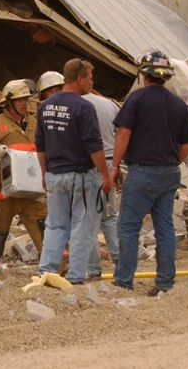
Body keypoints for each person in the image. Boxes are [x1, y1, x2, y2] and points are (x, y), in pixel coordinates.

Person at [111, 50, 188, 296]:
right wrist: (171, 162)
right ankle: (165, 283)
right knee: (165, 227)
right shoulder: (178, 103)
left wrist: (114, 167)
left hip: (142, 171)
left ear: (143, 74)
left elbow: (123, 135)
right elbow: (187, 145)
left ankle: (124, 282)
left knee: (128, 226)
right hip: (168, 172)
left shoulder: (136, 100)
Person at [35, 59, 112, 284]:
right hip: (81, 176)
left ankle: (46, 273)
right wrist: (105, 175)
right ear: (79, 78)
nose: (92, 81)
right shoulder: (83, 107)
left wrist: (44, 173)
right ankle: (76, 277)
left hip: (55, 175)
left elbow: (40, 145)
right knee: (82, 227)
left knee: (55, 225)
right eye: (89, 77)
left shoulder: (45, 107)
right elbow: (94, 146)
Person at [0, 79, 48, 275]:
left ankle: (57, 268)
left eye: (27, 99)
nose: (26, 103)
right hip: (2, 193)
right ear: (9, 102)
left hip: (31, 191)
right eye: (21, 99)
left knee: (45, 230)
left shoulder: (34, 123)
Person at [83, 88, 120, 277]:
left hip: (90, 163)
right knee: (109, 217)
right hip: (110, 162)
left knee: (88, 219)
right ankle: (121, 263)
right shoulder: (109, 103)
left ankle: (93, 269)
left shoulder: (77, 105)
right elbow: (120, 133)